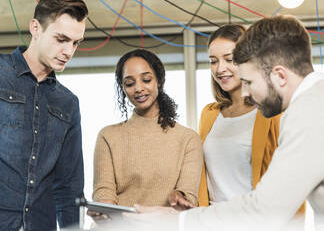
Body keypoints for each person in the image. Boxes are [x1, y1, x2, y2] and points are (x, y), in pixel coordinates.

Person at [132, 15, 324, 231]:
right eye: (213, 61)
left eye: (249, 82)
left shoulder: (309, 112)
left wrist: (178, 221)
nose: (245, 91)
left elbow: (267, 210)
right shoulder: (313, 104)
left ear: (279, 75)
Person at [0, 0, 87, 231]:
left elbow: (69, 188)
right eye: (62, 39)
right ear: (36, 27)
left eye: (76, 43)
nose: (69, 51)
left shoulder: (68, 103)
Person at [92, 49, 202, 210]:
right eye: (130, 83)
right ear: (122, 88)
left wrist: (180, 197)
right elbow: (104, 191)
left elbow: (189, 194)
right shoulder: (108, 136)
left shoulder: (188, 139)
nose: (138, 88)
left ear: (158, 80)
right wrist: (103, 208)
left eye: (146, 79)